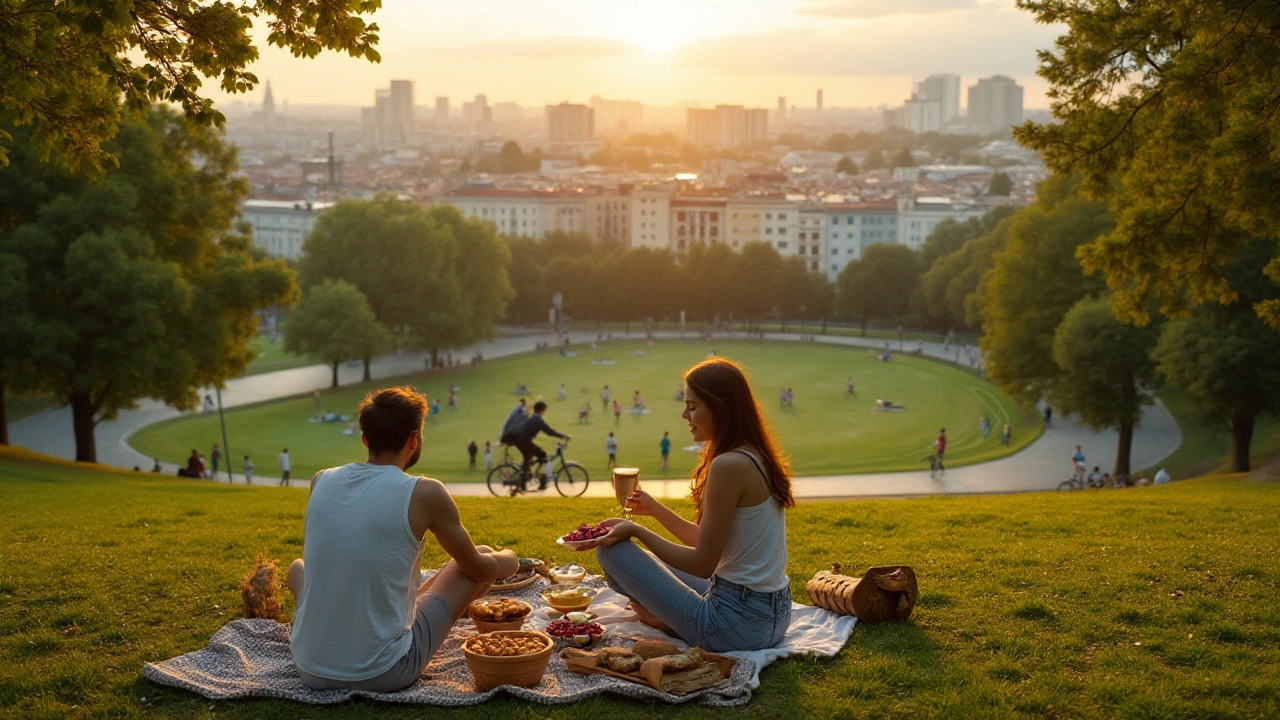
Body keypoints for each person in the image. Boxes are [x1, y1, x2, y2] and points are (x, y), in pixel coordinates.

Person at [287, 386, 519, 693]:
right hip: (386, 671)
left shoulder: (321, 480)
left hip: (310, 669)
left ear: (365, 440)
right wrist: (510, 560)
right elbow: (478, 570)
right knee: (483, 555)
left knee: (297, 569)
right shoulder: (425, 492)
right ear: (414, 440)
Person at [590, 357, 794, 653]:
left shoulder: (727, 465)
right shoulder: (753, 454)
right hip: (772, 615)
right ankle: (667, 619)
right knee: (642, 565)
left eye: (693, 406)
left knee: (613, 552)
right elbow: (704, 541)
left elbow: (702, 564)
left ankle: (665, 621)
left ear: (719, 407)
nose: (685, 414)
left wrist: (636, 531)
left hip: (734, 625)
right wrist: (654, 509)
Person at [514, 401, 570, 490]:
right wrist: (563, 435)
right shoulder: (537, 420)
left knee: (528, 459)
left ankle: (523, 482)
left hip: (521, 441)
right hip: (524, 442)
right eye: (544, 410)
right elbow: (549, 432)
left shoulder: (533, 418)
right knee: (542, 455)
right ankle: (542, 481)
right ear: (542, 410)